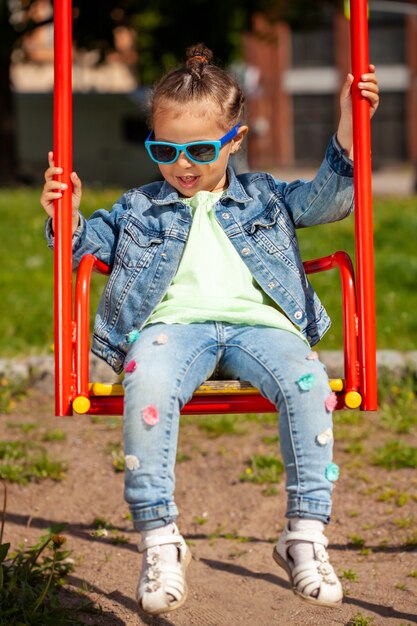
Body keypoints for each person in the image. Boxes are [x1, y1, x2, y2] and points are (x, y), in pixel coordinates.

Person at [41, 43, 379, 616]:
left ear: (235, 141)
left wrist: (348, 130)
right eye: (164, 150)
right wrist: (64, 215)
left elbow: (330, 201)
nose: (183, 164)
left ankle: (303, 534)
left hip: (262, 327)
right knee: (144, 381)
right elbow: (79, 251)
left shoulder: (265, 197)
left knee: (308, 382)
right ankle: (160, 541)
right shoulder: (137, 207)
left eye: (200, 149)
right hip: (172, 329)